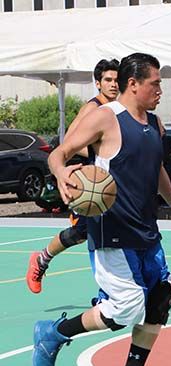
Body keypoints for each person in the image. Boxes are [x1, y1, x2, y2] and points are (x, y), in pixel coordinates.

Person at [32, 53, 171, 366]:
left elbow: (156, 170)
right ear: (133, 83)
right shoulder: (105, 118)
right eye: (155, 83)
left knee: (160, 299)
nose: (160, 90)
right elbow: (59, 152)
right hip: (112, 231)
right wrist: (61, 171)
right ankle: (53, 333)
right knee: (124, 309)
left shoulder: (153, 123)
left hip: (146, 230)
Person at [26, 58, 120, 294]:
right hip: (87, 181)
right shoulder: (93, 107)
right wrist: (98, 149)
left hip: (108, 179)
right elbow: (69, 142)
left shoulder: (117, 108)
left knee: (114, 231)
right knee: (83, 232)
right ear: (98, 83)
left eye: (117, 80)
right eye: (108, 80)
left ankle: (111, 291)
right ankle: (41, 260)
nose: (113, 85)